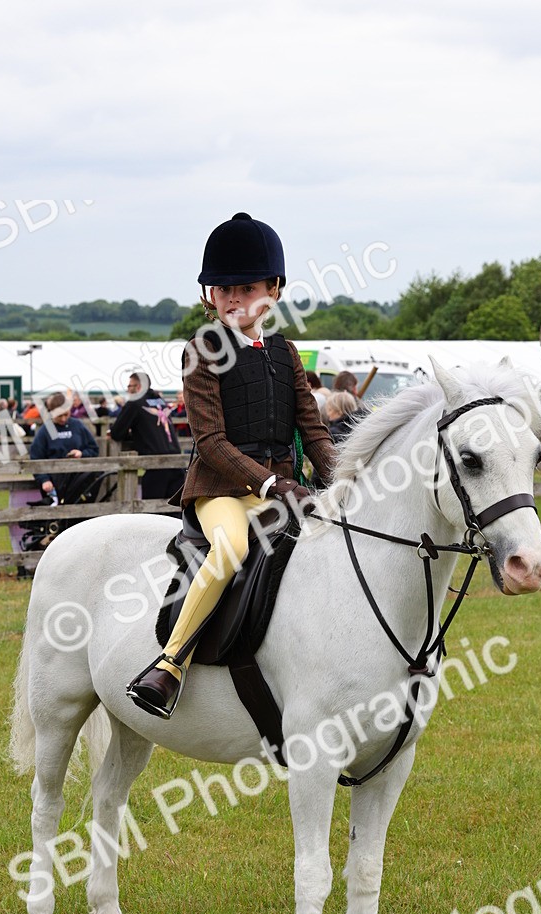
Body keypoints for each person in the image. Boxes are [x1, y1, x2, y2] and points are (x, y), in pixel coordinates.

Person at [127, 212, 336, 719]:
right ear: (209, 297)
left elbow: (314, 433)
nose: (234, 299)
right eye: (223, 290)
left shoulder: (287, 354)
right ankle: (170, 664)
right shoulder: (201, 351)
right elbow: (212, 440)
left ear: (274, 290)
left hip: (283, 487)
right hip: (221, 489)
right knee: (232, 547)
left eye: (246, 288)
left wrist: (346, 482)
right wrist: (269, 482)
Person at [109, 372, 185, 500]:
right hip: (176, 462)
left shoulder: (135, 402)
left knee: (152, 513)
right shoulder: (160, 401)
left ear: (138, 387)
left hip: (156, 464)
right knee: (173, 513)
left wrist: (127, 435)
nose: (128, 389)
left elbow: (117, 433)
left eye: (129, 386)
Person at [29, 392, 100, 505]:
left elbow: (94, 449)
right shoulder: (47, 430)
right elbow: (36, 457)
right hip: (55, 484)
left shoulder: (77, 426)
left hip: (78, 481)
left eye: (66, 414)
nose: (63, 419)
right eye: (59, 416)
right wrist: (44, 479)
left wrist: (81, 453)